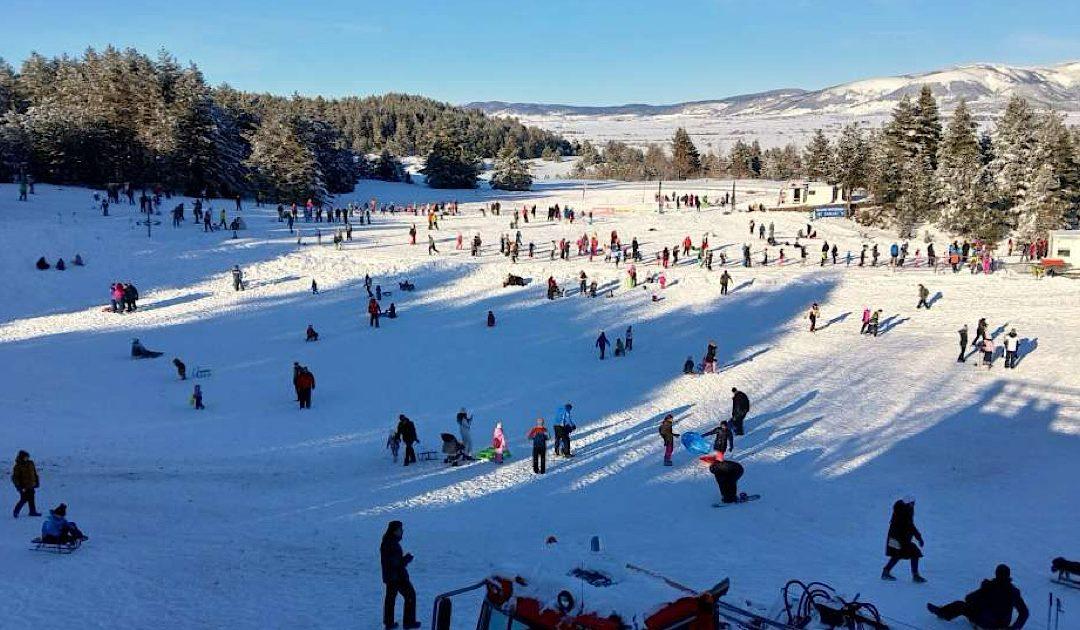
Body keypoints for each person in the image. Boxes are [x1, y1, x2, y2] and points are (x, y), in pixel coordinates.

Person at [927, 564, 1028, 629]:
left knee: (960, 605)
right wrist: (1014, 628)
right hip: (1003, 625)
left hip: (986, 622)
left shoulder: (989, 586)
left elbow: (969, 598)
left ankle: (942, 613)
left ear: (996, 574)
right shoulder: (1013, 591)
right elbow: (1024, 613)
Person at [380, 520, 420, 630]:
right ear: (394, 531)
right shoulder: (390, 543)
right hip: (396, 576)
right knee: (410, 595)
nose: (402, 531)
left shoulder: (389, 542)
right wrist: (407, 559)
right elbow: (394, 563)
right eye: (400, 529)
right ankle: (408, 622)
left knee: (391, 599)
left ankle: (390, 623)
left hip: (392, 576)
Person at [881, 498, 925, 582]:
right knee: (914, 553)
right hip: (900, 539)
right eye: (912, 503)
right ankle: (915, 575)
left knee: (897, 555)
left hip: (896, 538)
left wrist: (918, 537)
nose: (913, 505)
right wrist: (919, 538)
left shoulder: (901, 510)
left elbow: (910, 526)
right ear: (908, 503)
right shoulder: (904, 512)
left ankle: (885, 572)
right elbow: (910, 526)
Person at [12, 450, 41, 518]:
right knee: (24, 499)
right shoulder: (18, 466)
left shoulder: (31, 463)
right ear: (22, 457)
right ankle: (16, 511)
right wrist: (19, 487)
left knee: (31, 498)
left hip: (31, 484)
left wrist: (37, 482)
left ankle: (32, 511)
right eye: (25, 457)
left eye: (27, 457)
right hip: (23, 486)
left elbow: (34, 473)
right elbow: (15, 477)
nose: (27, 458)